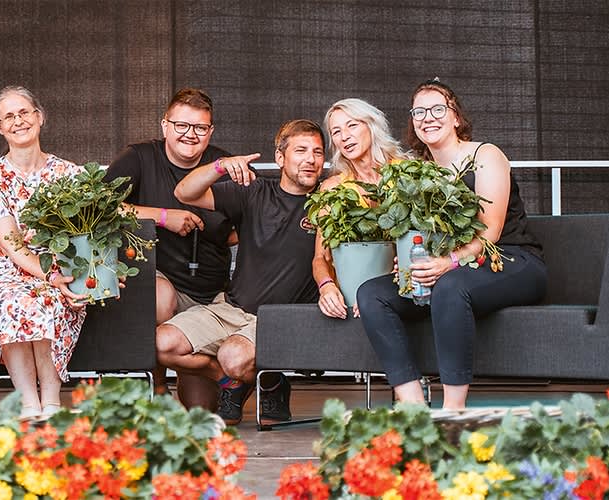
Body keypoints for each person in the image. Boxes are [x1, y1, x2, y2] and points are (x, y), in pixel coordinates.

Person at [355, 79, 548, 409]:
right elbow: (417, 233)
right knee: (371, 293)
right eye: (419, 111)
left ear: (456, 116)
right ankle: (413, 403)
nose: (428, 117)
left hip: (512, 260)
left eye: (437, 109)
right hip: (452, 268)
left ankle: (453, 410)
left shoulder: (485, 155)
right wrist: (409, 259)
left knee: (449, 286)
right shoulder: (419, 171)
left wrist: (448, 263)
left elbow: (491, 232)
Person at [167, 119, 325, 425]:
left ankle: (267, 380)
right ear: (280, 158)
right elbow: (184, 192)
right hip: (231, 308)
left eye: (318, 153)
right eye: (301, 150)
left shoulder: (328, 201)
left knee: (232, 356)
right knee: (162, 344)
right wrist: (221, 166)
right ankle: (241, 383)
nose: (310, 159)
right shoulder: (252, 191)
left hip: (280, 318)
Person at [104, 88, 239, 406]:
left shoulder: (222, 166)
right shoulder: (138, 157)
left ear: (210, 131)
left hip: (207, 293)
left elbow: (243, 228)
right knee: (159, 299)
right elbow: (101, 206)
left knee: (201, 411)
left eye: (200, 128)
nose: (190, 135)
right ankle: (157, 383)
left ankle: (210, 370)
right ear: (165, 125)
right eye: (181, 125)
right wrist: (163, 217)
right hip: (156, 280)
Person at [0, 85, 89, 420]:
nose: (18, 121)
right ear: (0, 127)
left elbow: (86, 234)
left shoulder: (71, 174)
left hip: (58, 264)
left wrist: (90, 278)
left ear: (40, 117)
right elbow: (13, 244)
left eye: (24, 112)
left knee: (46, 298)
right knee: (14, 299)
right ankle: (27, 401)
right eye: (9, 116)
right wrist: (49, 275)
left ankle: (51, 399)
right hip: (4, 267)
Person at [313, 98, 412, 319]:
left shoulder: (408, 174)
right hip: (349, 300)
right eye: (336, 131)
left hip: (400, 293)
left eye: (352, 125)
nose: (344, 136)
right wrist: (327, 286)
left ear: (372, 125)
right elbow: (320, 257)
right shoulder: (333, 188)